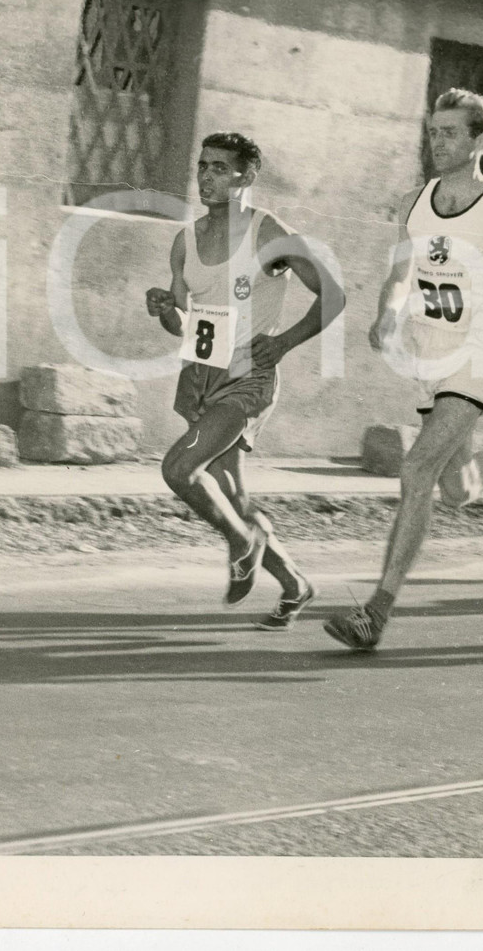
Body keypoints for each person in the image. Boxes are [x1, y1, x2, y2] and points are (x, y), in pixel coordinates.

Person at [322, 88, 483, 652]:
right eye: (432, 131)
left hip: (481, 352)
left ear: (480, 141)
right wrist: (386, 316)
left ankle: (376, 613)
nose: (436, 142)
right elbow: (398, 275)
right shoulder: (414, 201)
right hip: (430, 354)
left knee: (416, 472)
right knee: (457, 488)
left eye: (449, 132)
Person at [146, 132, 345, 628]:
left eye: (219, 168)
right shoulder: (184, 240)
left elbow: (334, 294)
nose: (206, 177)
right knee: (232, 496)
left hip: (247, 380)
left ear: (246, 176)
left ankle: (242, 542)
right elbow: (184, 324)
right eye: (202, 166)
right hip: (200, 377)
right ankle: (296, 583)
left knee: (179, 468)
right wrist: (164, 312)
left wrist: (285, 342)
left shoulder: (266, 232)